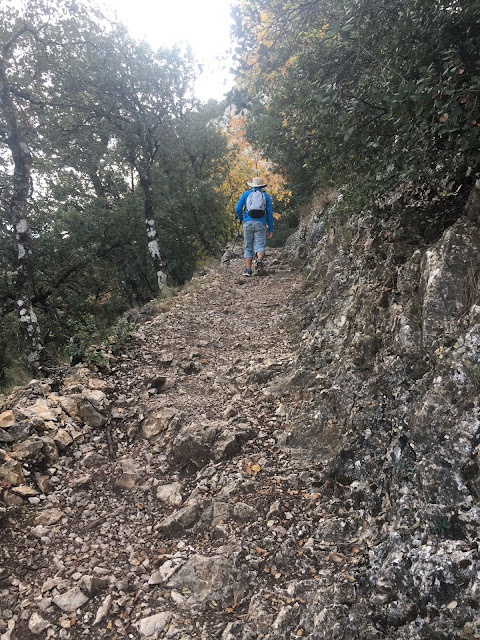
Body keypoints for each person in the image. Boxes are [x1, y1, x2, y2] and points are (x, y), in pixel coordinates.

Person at [235, 177, 274, 277]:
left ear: (252, 185)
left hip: (247, 223)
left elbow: (238, 208)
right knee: (260, 245)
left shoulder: (246, 194)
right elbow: (269, 213)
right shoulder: (265, 196)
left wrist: (241, 218)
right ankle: (259, 260)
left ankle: (248, 270)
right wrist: (270, 229)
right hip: (261, 223)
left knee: (248, 247)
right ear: (261, 186)